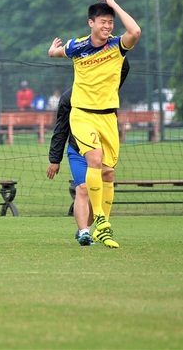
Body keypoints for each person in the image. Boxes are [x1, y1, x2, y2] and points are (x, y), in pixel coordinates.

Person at [48, 0, 141, 248]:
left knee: (109, 171)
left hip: (108, 117)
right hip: (82, 114)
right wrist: (52, 51)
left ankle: (103, 228)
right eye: (103, 21)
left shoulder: (117, 46)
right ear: (91, 23)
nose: (108, 26)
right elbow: (58, 52)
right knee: (95, 159)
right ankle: (96, 217)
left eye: (110, 22)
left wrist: (115, 5)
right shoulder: (77, 46)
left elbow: (135, 30)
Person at [47, 58, 130, 246]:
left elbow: (122, 68)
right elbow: (61, 129)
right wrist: (55, 159)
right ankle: (84, 232)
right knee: (83, 189)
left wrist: (114, 48)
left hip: (102, 152)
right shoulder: (69, 98)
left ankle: (91, 227)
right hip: (78, 151)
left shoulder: (108, 91)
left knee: (98, 193)